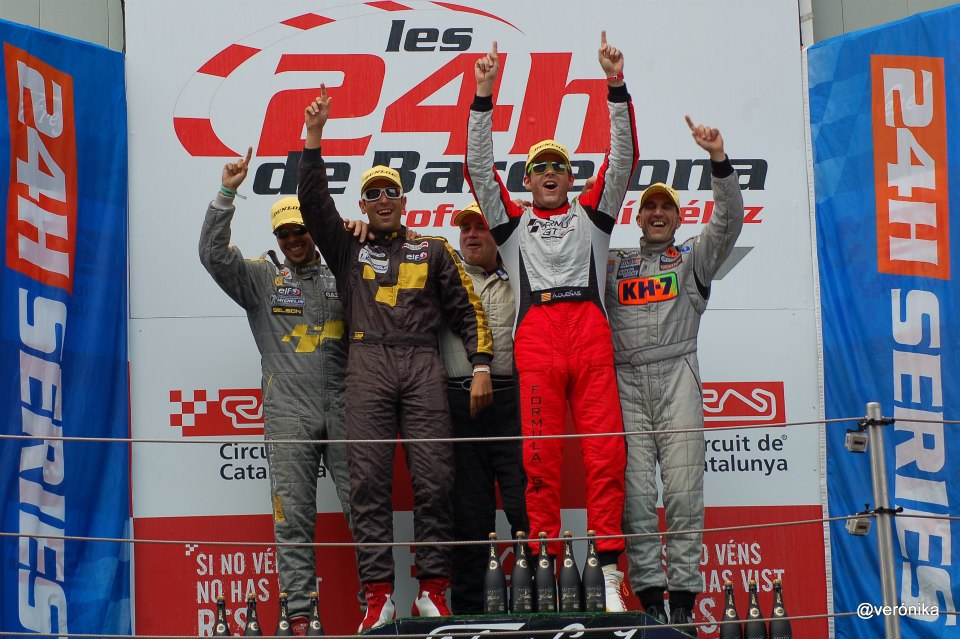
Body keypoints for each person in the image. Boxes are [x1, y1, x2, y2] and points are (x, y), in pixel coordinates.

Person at [297, 88, 494, 631]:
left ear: (403, 201)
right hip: (367, 362)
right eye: (373, 193)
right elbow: (313, 205)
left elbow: (468, 309)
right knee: (367, 483)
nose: (383, 200)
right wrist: (314, 137)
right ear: (362, 205)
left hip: (422, 362)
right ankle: (378, 595)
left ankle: (432, 590)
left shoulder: (433, 249)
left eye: (391, 192)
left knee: (436, 480)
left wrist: (481, 364)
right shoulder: (346, 246)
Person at [465, 33, 638, 611]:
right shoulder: (510, 226)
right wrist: (483, 94)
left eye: (558, 166)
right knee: (538, 461)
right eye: (538, 166)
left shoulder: (594, 216)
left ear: (569, 177)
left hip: (590, 344)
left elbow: (623, 161)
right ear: (528, 180)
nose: (548, 172)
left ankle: (608, 571)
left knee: (606, 456)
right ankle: (546, 571)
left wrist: (615, 84)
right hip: (538, 346)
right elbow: (478, 169)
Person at [199, 148, 361, 635]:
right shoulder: (262, 277)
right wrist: (226, 194)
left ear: (314, 229)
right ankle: (300, 619)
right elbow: (213, 256)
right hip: (288, 409)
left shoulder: (344, 269)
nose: (293, 239)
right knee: (293, 519)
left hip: (345, 405)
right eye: (284, 233)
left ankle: (376, 607)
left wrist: (364, 234)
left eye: (300, 230)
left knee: (365, 512)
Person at [605, 116, 744, 631]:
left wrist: (718, 161)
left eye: (666, 207)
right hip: (625, 383)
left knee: (684, 493)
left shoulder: (692, 259)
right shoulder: (613, 264)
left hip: (678, 375)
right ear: (638, 218)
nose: (658, 213)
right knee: (638, 497)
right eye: (650, 207)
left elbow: (728, 222)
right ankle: (648, 598)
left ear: (679, 218)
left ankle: (682, 600)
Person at [438, 201, 529, 614]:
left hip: (513, 401)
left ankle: (537, 606)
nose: (471, 235)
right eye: (465, 229)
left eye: (481, 227)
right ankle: (470, 612)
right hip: (459, 403)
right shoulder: (443, 275)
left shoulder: (525, 271)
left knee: (524, 506)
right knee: (469, 515)